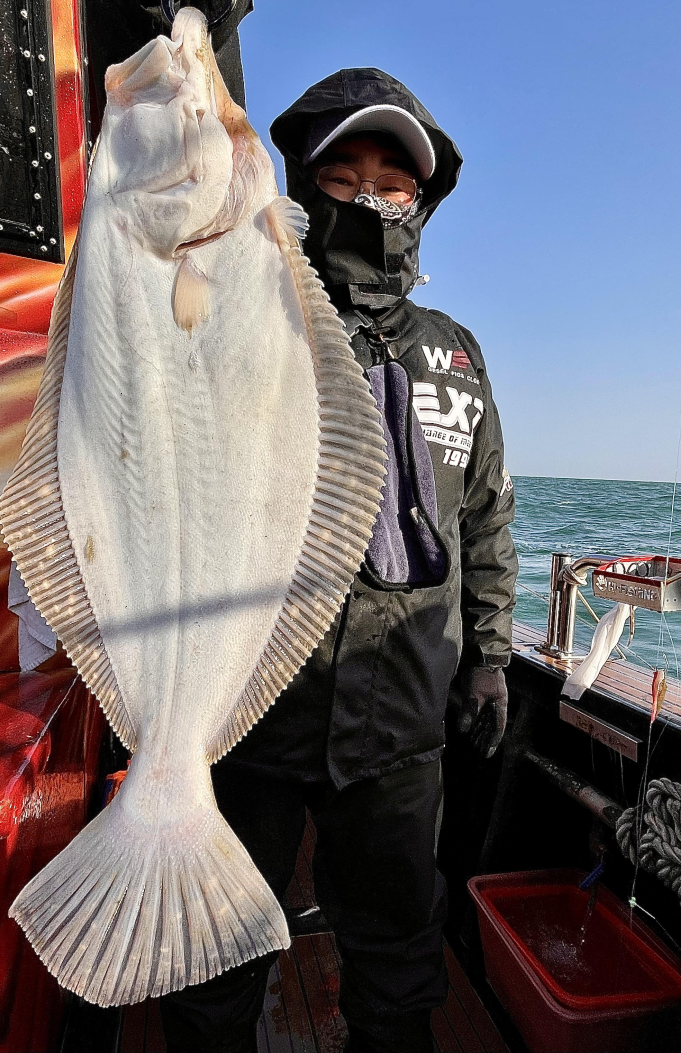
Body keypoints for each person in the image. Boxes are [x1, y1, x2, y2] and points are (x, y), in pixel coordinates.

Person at [159, 68, 518, 1053]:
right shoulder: (235, 317)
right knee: (212, 959)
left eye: (394, 181)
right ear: (300, 182)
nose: (369, 196)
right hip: (248, 711)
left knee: (399, 963)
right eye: (342, 172)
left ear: (424, 200)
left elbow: (483, 515)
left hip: (403, 718)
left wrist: (487, 654)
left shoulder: (457, 352)